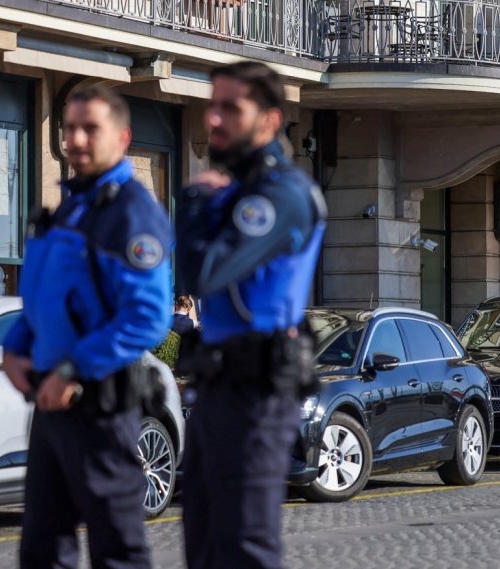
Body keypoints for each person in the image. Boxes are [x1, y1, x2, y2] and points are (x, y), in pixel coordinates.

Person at [1, 85, 172, 568]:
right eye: (69, 128)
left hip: (97, 403)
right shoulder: (73, 208)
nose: (75, 139)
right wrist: (15, 348)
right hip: (51, 406)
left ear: (122, 137)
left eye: (89, 128)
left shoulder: (132, 213)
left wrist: (73, 370)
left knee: (117, 551)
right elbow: (46, 302)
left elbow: (147, 318)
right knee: (41, 548)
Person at [176, 61, 326, 568]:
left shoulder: (280, 194)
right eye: (212, 106)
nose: (214, 119)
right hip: (216, 387)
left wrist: (196, 200)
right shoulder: (238, 193)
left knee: (244, 544)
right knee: (204, 541)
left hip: (258, 395)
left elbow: (203, 272)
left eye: (230, 109)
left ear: (268, 120)